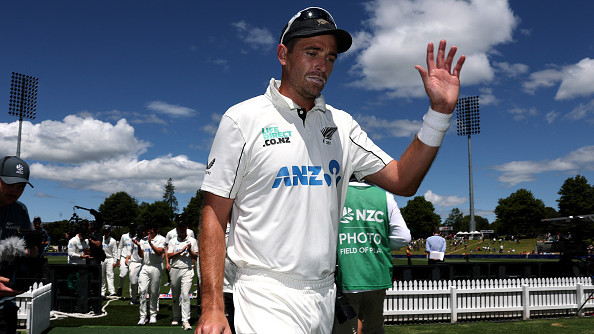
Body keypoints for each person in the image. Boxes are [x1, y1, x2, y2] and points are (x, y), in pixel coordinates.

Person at [196, 6, 464, 333]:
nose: (323, 65)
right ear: (283, 54)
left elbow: (403, 180)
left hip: (325, 294)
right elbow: (213, 214)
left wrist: (439, 113)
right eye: (312, 52)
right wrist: (212, 306)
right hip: (264, 291)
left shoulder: (342, 125)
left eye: (331, 57)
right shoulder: (242, 120)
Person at [333, 178, 411, 334]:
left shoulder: (335, 193)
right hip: (377, 276)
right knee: (374, 329)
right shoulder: (384, 196)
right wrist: (376, 244)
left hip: (346, 276)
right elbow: (403, 237)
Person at [0, 156, 34, 334]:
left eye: (20, 186)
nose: (15, 191)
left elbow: (26, 250)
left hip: (5, 303)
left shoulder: (20, 210)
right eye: (9, 184)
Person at [166, 219, 198, 330]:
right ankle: (176, 317)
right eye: (180, 227)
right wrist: (180, 252)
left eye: (183, 227)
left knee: (185, 295)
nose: (182, 229)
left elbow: (196, 256)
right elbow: (169, 255)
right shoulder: (172, 241)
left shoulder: (192, 240)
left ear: (186, 227)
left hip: (187, 269)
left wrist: (189, 251)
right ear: (177, 228)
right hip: (175, 269)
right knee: (175, 296)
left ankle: (186, 320)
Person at [134, 223, 165, 325]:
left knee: (154, 291)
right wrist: (139, 247)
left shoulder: (161, 239)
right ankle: (143, 316)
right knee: (142, 290)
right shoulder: (143, 240)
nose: (148, 232)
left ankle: (153, 315)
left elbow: (159, 252)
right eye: (147, 230)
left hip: (156, 266)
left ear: (155, 230)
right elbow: (141, 255)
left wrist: (150, 243)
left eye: (150, 230)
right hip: (145, 266)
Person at [164, 215, 195, 287]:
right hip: (174, 261)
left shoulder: (190, 232)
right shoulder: (170, 233)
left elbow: (193, 246)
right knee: (174, 284)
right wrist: (167, 262)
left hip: (186, 261)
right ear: (175, 221)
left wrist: (193, 263)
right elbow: (167, 248)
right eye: (178, 220)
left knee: (185, 286)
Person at [126, 225, 144, 305]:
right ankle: (133, 297)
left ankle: (142, 298)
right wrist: (127, 258)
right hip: (134, 262)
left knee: (143, 283)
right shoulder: (133, 239)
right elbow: (130, 250)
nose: (138, 232)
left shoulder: (146, 240)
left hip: (144, 263)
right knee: (133, 282)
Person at [116, 224, 136, 297]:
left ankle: (132, 294)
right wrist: (118, 259)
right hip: (124, 257)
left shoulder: (138, 237)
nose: (132, 230)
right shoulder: (124, 236)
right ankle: (120, 288)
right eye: (131, 228)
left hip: (133, 259)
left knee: (132, 276)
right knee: (122, 274)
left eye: (133, 228)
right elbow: (120, 248)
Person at [101, 226, 118, 297]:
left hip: (110, 258)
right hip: (102, 259)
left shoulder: (113, 241)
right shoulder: (101, 239)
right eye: (105, 232)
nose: (106, 233)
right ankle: (102, 291)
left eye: (107, 232)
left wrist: (115, 261)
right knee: (102, 276)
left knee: (110, 275)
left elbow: (115, 252)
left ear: (110, 232)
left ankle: (112, 291)